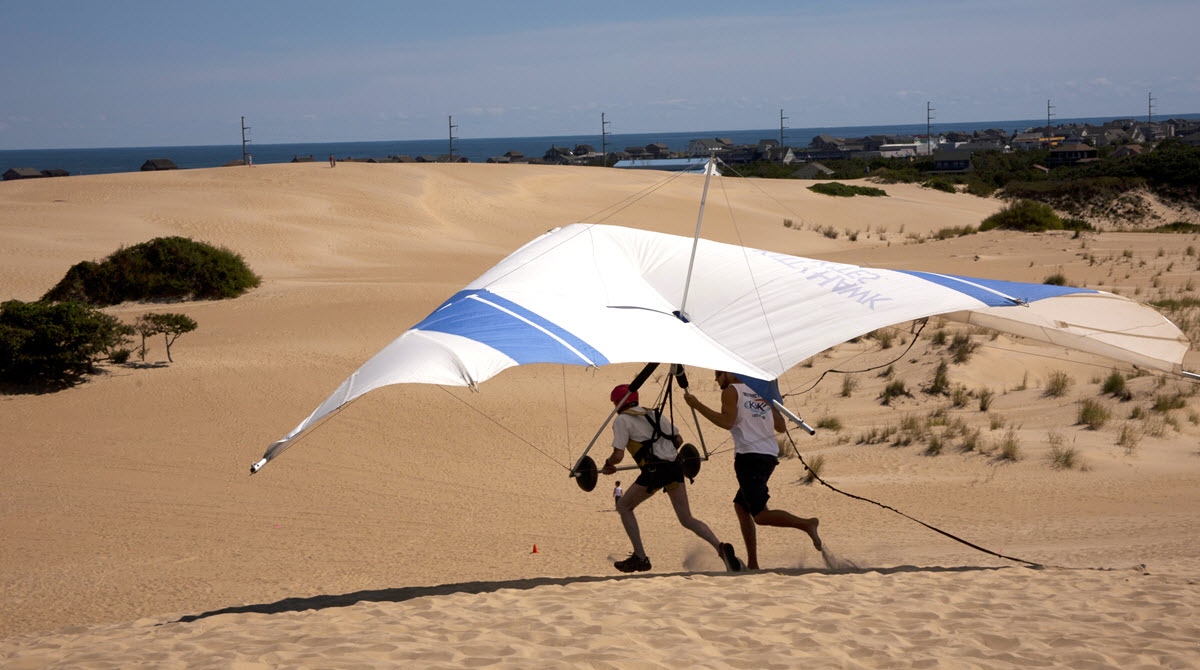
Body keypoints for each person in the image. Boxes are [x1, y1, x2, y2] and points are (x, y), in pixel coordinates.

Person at [684, 371, 822, 570]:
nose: (716, 379)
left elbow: (726, 422)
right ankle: (753, 563)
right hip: (768, 457)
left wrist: (697, 405)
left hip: (749, 458)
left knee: (759, 516)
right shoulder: (758, 392)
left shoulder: (731, 391)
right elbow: (781, 426)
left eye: (718, 374)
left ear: (729, 373)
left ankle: (807, 524)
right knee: (741, 506)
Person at [602, 384, 741, 573]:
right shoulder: (653, 414)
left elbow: (618, 456)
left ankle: (640, 558)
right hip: (675, 467)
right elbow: (679, 440)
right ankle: (720, 547)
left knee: (624, 507)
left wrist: (609, 464)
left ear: (618, 402)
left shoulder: (622, 420)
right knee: (687, 519)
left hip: (654, 471)